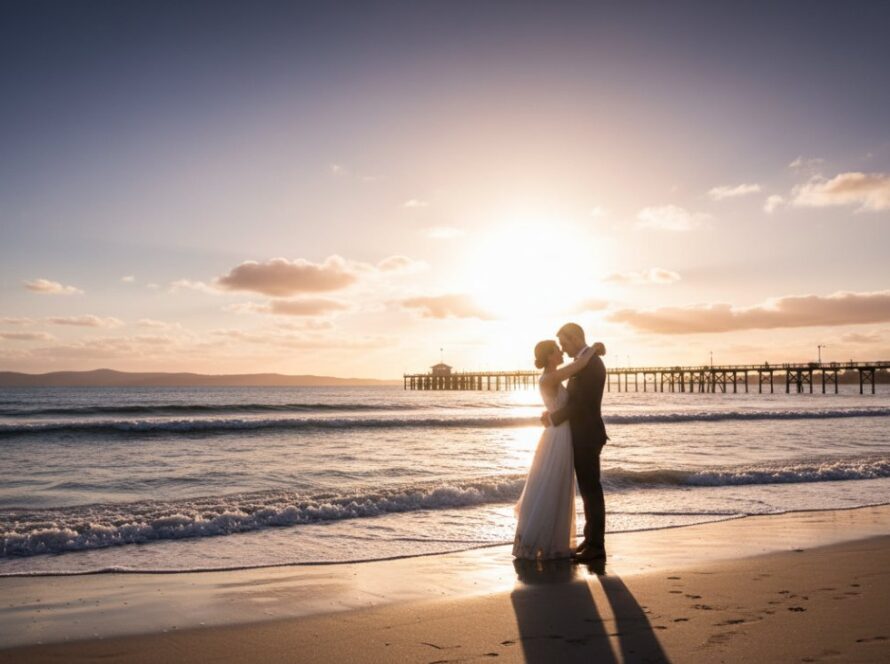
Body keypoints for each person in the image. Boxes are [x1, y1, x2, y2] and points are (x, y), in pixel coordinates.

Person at [513, 339, 594, 560]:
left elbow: (558, 403)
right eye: (557, 350)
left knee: (556, 485)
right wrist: (594, 348)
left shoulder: (551, 377)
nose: (561, 352)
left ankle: (550, 542)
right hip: (557, 436)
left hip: (559, 432)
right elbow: (579, 365)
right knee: (553, 485)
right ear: (549, 356)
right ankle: (541, 543)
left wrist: (549, 414)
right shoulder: (550, 377)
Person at [541, 323, 609, 562]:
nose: (563, 348)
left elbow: (580, 404)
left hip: (587, 435)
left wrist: (554, 417)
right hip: (583, 434)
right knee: (588, 490)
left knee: (591, 490)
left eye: (565, 343)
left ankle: (596, 546)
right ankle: (590, 540)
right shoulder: (586, 362)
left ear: (576, 338)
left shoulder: (590, 365)